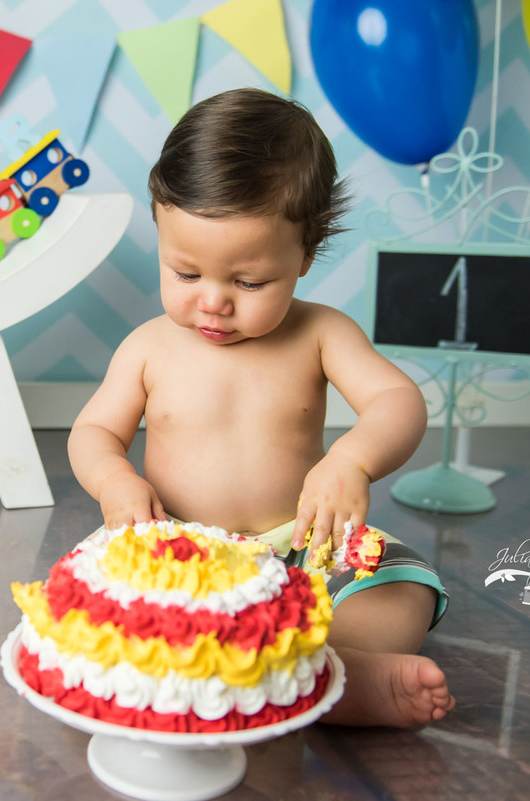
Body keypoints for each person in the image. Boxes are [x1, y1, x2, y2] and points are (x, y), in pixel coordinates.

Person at [67, 88, 454, 728]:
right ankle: (295, 676)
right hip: (178, 550)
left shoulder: (321, 333)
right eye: (185, 273)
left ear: (305, 255)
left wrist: (350, 462)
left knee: (403, 587)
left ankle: (332, 672)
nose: (213, 301)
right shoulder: (148, 347)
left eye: (248, 282)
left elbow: (397, 400)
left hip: (305, 549)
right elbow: (95, 431)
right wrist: (117, 483)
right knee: (95, 599)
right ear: (161, 234)